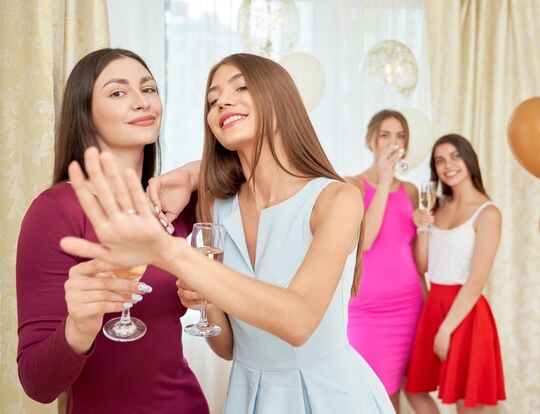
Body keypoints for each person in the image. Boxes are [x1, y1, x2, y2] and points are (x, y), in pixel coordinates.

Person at [59, 53, 395, 414]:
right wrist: (209, 300)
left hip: (329, 396)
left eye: (241, 87)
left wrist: (174, 253)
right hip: (249, 395)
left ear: (281, 99)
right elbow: (230, 347)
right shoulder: (215, 206)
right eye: (212, 99)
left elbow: (298, 322)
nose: (223, 101)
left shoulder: (336, 198)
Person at [15, 48, 209, 414]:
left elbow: (262, 164)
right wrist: (79, 327)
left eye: (148, 89)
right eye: (118, 92)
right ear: (85, 113)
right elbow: (37, 384)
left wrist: (192, 172)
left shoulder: (175, 203)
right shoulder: (55, 211)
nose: (140, 102)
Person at [404, 134, 506, 413]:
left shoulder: (488, 213)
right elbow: (422, 266)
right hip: (433, 306)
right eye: (440, 160)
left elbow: (476, 280)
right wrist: (422, 227)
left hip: (465, 313)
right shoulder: (437, 206)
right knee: (414, 389)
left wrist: (446, 329)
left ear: (468, 159)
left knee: (465, 403)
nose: (447, 165)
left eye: (454, 156)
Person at [345, 110, 426, 412]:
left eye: (400, 135)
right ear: (370, 141)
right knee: (370, 392)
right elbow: (365, 240)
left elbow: (418, 258)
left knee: (395, 393)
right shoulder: (350, 185)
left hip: (409, 307)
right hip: (366, 309)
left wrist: (425, 227)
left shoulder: (411, 191)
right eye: (385, 135)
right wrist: (383, 182)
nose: (394, 142)